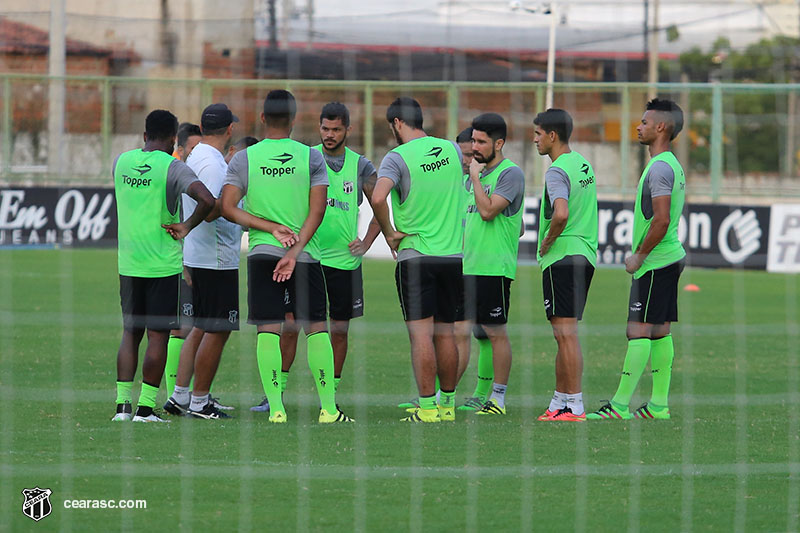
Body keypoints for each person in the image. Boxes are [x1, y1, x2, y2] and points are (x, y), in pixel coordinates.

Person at [221, 89, 352, 424]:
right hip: (304, 254)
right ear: (294, 119)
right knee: (316, 328)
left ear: (262, 118)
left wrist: (269, 227)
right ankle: (328, 409)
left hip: (263, 253)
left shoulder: (245, 158)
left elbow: (227, 207)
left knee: (268, 329)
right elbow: (317, 210)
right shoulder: (311, 157)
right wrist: (294, 250)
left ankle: (276, 409)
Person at [251, 102, 381, 413]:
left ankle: (329, 397)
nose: (330, 134)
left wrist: (367, 241)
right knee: (290, 325)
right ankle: (275, 395)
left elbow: (380, 205)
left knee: (339, 330)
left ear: (348, 130)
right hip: (308, 257)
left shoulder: (361, 166)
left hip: (344, 263)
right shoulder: (305, 158)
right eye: (325, 128)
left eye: (336, 129)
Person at [112, 109, 214, 422]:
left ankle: (122, 407)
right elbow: (207, 200)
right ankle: (145, 409)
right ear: (173, 139)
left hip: (129, 263)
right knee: (158, 336)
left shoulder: (121, 162)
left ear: (145, 135)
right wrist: (186, 226)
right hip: (162, 266)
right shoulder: (173, 167)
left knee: (130, 333)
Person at [588, 98, 686, 421]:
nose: (638, 126)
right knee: (660, 331)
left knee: (638, 330)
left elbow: (661, 219)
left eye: (644, 122)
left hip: (656, 262)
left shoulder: (659, 168)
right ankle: (658, 406)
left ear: (661, 127)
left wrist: (639, 256)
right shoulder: (671, 165)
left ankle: (619, 406)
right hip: (669, 258)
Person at [371, 97, 464, 423]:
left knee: (421, 335)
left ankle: (426, 409)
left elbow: (378, 197)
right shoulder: (452, 149)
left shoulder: (397, 157)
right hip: (453, 256)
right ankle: (447, 406)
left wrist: (389, 233)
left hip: (417, 257)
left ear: (397, 123)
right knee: (446, 333)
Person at [163, 103, 243, 420]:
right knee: (218, 329)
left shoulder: (198, 156)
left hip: (201, 254)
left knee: (200, 326)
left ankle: (180, 396)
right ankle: (199, 402)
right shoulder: (211, 163)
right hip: (216, 257)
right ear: (229, 129)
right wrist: (239, 206)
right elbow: (210, 210)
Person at [533, 108, 598, 422]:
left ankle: (575, 406)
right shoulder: (582, 163)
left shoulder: (556, 170)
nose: (535, 140)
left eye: (537, 134)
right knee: (564, 335)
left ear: (552, 135)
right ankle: (559, 402)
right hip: (584, 254)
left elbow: (560, 213)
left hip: (563, 256)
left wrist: (547, 241)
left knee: (566, 335)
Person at [461, 113, 525, 415]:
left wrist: (475, 177)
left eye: (481, 142)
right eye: (473, 140)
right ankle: (449, 396)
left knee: (495, 332)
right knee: (464, 332)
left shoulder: (510, 174)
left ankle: (497, 398)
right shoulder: (476, 177)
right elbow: (518, 225)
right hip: (468, 266)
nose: (474, 147)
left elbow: (487, 213)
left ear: (499, 144)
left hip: (493, 268)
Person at [164, 121, 204, 395]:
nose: (198, 154)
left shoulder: (193, 175)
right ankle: (175, 394)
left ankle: (193, 393)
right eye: (193, 148)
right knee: (181, 328)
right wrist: (182, 264)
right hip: (180, 263)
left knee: (199, 327)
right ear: (180, 148)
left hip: (198, 260)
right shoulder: (173, 174)